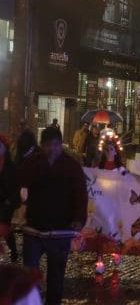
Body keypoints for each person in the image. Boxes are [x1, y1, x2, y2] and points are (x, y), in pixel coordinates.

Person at [16, 127, 88, 305]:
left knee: (56, 278)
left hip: (60, 230)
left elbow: (80, 194)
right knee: (29, 276)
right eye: (48, 145)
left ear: (60, 145)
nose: (52, 149)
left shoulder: (71, 166)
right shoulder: (32, 163)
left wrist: (78, 219)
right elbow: (19, 184)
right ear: (42, 146)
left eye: (55, 145)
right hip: (34, 228)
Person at [0, 134, 20, 262]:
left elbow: (15, 185)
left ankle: (13, 250)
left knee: (5, 225)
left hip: (6, 202)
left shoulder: (10, 166)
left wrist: (10, 199)